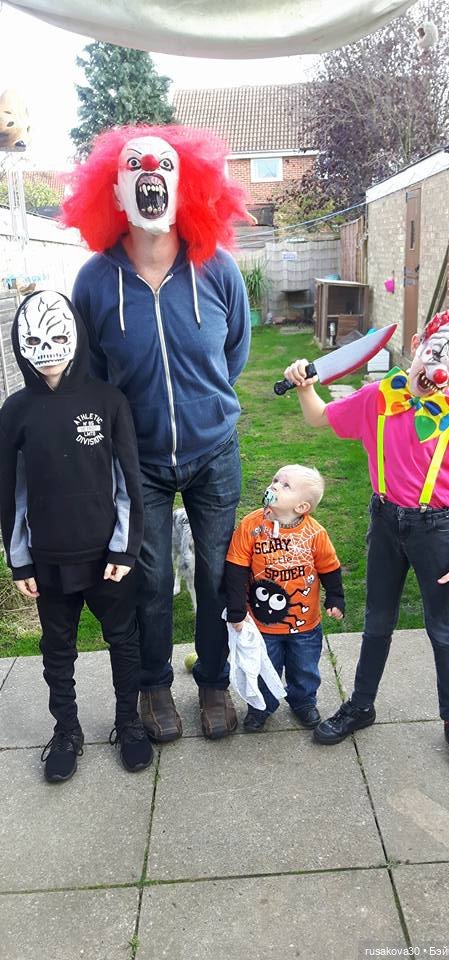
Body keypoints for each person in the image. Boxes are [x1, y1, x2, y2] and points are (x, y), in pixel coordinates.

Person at [62, 124, 251, 743]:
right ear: (115, 193)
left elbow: (234, 352)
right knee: (149, 579)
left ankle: (215, 682)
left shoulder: (217, 268)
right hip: (136, 460)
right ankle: (154, 685)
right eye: (136, 170)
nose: (151, 178)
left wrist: (204, 405)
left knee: (218, 574)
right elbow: (90, 371)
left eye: (165, 168)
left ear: (185, 185)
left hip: (213, 451)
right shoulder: (94, 281)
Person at [283, 303, 449, 776]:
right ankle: (361, 705)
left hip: (435, 531)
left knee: (444, 630)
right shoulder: (377, 398)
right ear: (420, 345)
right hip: (385, 523)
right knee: (377, 622)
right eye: (436, 355)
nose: (439, 372)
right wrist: (305, 386)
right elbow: (319, 417)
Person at [0, 290, 153, 783]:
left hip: (107, 558)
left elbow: (129, 483)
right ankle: (67, 730)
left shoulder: (108, 401)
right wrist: (20, 560)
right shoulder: (16, 411)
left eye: (57, 337)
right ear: (20, 344)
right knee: (57, 651)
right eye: (35, 340)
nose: (47, 350)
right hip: (48, 560)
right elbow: (12, 492)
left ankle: (128, 722)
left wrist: (125, 549)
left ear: (76, 336)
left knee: (123, 641)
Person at [224, 464, 345, 732]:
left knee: (305, 668)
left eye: (285, 485)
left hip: (305, 625)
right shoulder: (251, 526)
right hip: (262, 624)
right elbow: (236, 568)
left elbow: (329, 567)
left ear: (302, 507)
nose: (275, 485)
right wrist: (236, 609)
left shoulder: (315, 533)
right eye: (275, 480)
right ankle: (261, 706)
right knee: (263, 666)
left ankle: (303, 701)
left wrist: (335, 597)